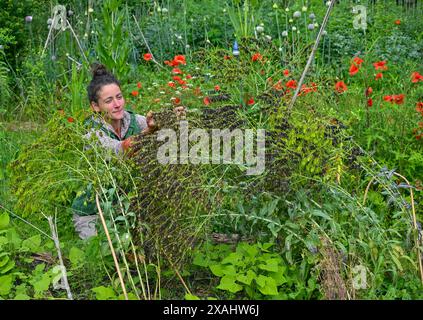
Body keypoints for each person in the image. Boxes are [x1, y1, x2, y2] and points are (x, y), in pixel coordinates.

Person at [71, 63, 184, 239]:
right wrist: (150, 131)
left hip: (127, 205)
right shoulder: (91, 133)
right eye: (108, 101)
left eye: (119, 97)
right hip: (96, 209)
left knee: (150, 239)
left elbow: (155, 127)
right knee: (102, 251)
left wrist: (169, 117)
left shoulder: (130, 120)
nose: (117, 104)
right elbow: (123, 148)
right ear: (95, 106)